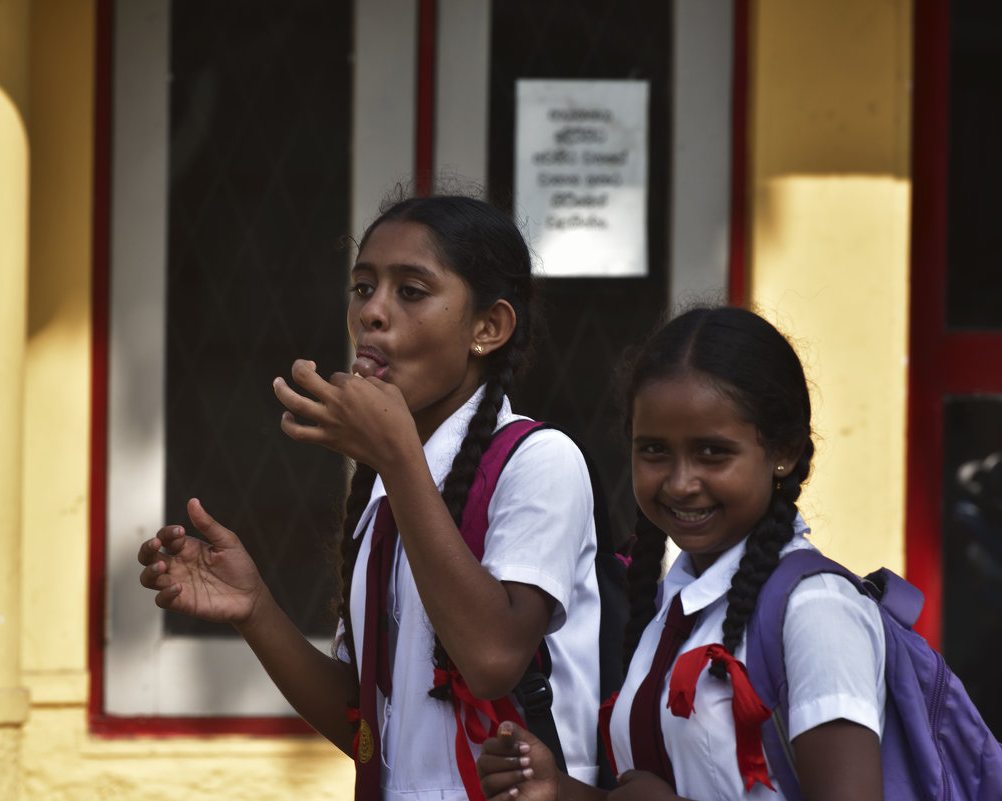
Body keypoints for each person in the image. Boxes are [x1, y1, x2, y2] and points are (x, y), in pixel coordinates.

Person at [137, 194, 602, 800]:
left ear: (488, 328)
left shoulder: (538, 461)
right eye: (363, 288)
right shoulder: (387, 486)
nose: (372, 314)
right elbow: (367, 727)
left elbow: (491, 661)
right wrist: (254, 610)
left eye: (411, 291)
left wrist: (397, 456)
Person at [476, 306, 886, 801]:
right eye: (654, 451)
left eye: (713, 453)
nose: (679, 482)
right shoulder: (674, 604)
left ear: (786, 450)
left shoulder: (816, 610)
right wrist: (555, 789)